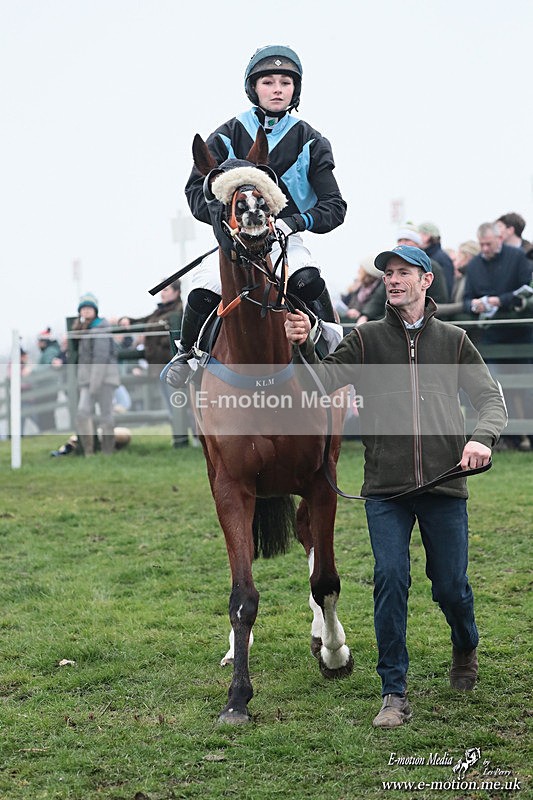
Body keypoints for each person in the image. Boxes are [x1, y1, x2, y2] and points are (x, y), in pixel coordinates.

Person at [284, 244, 507, 728]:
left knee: (450, 587)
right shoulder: (365, 341)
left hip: (447, 484)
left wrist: (480, 439)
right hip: (386, 490)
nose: (393, 279)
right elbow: (320, 383)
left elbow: (491, 399)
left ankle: (464, 643)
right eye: (387, 273)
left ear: (426, 281)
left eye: (403, 272)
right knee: (390, 580)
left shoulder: (454, 340)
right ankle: (393, 692)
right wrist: (302, 346)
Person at [168, 44, 347, 387]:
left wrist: (291, 222)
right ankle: (187, 354)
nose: (277, 88)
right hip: (233, 239)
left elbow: (334, 207)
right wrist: (227, 223)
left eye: (285, 82)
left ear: (295, 89)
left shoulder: (311, 140)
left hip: (284, 238)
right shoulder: (225, 135)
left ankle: (333, 351)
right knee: (203, 290)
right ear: (254, 88)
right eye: (268, 81)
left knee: (306, 279)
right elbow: (195, 192)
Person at [463, 222, 533, 450]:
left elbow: (526, 290)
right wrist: (475, 305)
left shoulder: (518, 258)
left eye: (488, 244)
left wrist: (499, 300)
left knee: (525, 389)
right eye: (481, 244)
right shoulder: (474, 266)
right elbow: (466, 298)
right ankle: (499, 436)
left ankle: (526, 436)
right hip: (491, 337)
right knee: (493, 388)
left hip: (520, 336)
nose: (484, 248)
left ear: (499, 240)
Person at [126, 280, 187, 446]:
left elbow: (172, 337)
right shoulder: (160, 312)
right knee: (171, 404)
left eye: (166, 289)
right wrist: (128, 321)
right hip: (160, 366)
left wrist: (157, 342)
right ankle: (180, 438)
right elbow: (145, 321)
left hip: (173, 366)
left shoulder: (179, 311)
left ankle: (185, 439)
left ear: (176, 292)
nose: (163, 293)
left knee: (180, 404)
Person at [72, 292, 120, 456]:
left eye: (88, 308)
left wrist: (94, 384)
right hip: (89, 380)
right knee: (83, 413)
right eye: (82, 309)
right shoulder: (83, 329)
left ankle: (107, 452)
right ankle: (89, 452)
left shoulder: (99, 328)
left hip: (104, 379)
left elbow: (101, 358)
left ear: (95, 310)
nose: (85, 311)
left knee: (106, 415)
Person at [435, 240, 480, 320]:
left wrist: (435, 309)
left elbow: (464, 305)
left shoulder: (473, 277)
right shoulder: (460, 277)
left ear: (467, 257)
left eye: (458, 257)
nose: (455, 263)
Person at [337, 256, 383, 328]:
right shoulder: (358, 287)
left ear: (368, 272)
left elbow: (375, 305)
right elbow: (345, 303)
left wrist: (360, 314)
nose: (358, 271)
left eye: (361, 269)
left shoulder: (380, 288)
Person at [418, 221, 455, 298]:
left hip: (437, 306)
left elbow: (447, 288)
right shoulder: (428, 256)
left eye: (419, 234)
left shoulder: (441, 258)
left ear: (427, 236)